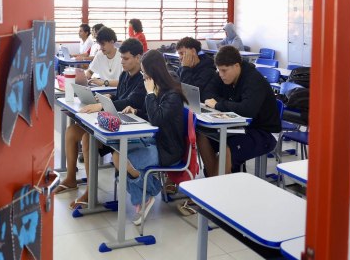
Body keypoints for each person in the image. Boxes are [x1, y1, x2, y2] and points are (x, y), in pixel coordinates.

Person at [56, 39, 146, 207]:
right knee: (71, 132)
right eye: (121, 58)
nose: (122, 62)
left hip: (126, 130)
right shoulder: (125, 74)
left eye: (126, 58)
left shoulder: (143, 79)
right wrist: (108, 97)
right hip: (114, 122)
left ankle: (91, 192)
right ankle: (70, 178)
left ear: (138, 57)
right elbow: (120, 96)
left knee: (87, 138)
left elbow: (131, 101)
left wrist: (102, 105)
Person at [111, 50, 187, 226]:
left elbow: (157, 119)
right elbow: (153, 116)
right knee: (117, 154)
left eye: (145, 72)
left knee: (124, 161)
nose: (143, 76)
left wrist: (150, 93)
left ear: (154, 72)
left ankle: (146, 195)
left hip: (168, 149)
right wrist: (136, 111)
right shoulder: (159, 89)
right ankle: (149, 192)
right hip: (156, 141)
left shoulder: (172, 94)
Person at [197, 46, 281, 176]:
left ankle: (216, 180)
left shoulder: (253, 79)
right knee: (203, 136)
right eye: (219, 70)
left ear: (236, 66)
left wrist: (219, 104)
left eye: (224, 70)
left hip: (264, 132)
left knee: (227, 147)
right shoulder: (224, 75)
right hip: (239, 126)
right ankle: (215, 177)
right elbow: (207, 94)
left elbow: (247, 110)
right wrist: (225, 104)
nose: (221, 74)